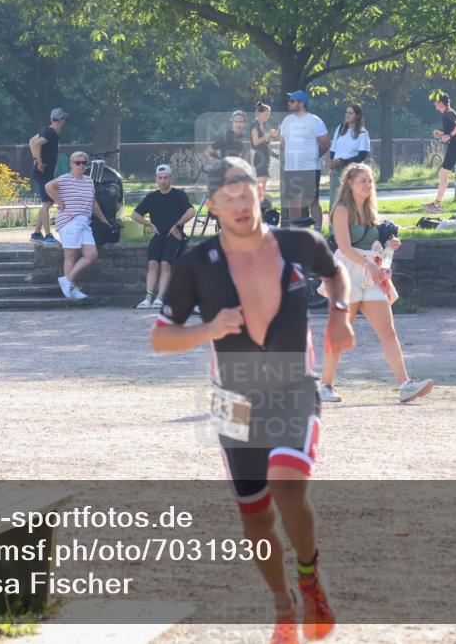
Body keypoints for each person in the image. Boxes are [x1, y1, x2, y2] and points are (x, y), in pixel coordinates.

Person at [151, 156, 353, 644]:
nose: (240, 204)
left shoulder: (300, 243)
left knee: (287, 486)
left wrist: (340, 314)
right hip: (232, 396)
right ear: (213, 207)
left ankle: (309, 578)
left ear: (260, 191)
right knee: (256, 516)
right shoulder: (196, 264)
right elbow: (161, 338)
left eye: (246, 192)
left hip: (292, 385)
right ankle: (283, 606)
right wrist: (208, 329)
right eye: (228, 198)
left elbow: (336, 273)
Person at [319, 163, 434, 405]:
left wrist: (388, 247)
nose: (368, 185)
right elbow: (344, 247)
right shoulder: (340, 209)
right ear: (350, 184)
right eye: (363, 181)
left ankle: (405, 385)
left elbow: (374, 244)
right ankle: (325, 384)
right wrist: (368, 264)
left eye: (370, 181)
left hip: (370, 273)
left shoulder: (371, 211)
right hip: (347, 271)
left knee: (388, 330)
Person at [45, 151, 114, 299]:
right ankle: (72, 289)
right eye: (78, 162)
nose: (81, 165)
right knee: (71, 255)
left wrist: (103, 219)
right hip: (69, 221)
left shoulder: (89, 181)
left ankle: (68, 281)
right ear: (71, 164)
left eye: (84, 162)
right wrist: (59, 202)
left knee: (91, 255)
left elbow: (93, 202)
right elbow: (48, 186)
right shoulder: (64, 179)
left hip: (84, 222)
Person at [131, 164, 195, 309]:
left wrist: (177, 225)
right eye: (160, 178)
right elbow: (134, 215)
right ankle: (148, 298)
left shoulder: (179, 195)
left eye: (166, 178)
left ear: (171, 178)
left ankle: (160, 297)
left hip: (174, 236)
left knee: (165, 264)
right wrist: (149, 225)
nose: (163, 181)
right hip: (157, 236)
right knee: (153, 264)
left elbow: (191, 212)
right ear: (156, 179)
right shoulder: (152, 197)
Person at [280, 90, 330, 229]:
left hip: (310, 168)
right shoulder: (286, 120)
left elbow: (325, 143)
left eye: (292, 101)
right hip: (291, 168)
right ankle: (295, 232)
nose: (289, 103)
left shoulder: (315, 120)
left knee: (313, 201)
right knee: (293, 202)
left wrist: (313, 157)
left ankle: (318, 232)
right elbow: (284, 143)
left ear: (301, 103)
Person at [28, 108, 68, 245]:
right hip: (42, 171)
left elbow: (31, 140)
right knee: (46, 203)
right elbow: (36, 143)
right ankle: (48, 235)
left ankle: (37, 233)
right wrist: (38, 162)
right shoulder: (51, 132)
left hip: (45, 171)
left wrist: (35, 159)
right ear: (61, 120)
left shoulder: (48, 131)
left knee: (49, 202)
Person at [327, 104, 370, 202]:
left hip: (353, 170)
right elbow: (333, 149)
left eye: (350, 113)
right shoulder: (340, 129)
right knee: (335, 200)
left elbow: (362, 156)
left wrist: (342, 161)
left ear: (357, 116)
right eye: (346, 112)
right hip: (337, 169)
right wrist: (332, 165)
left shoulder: (363, 133)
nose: (347, 115)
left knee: (351, 200)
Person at [250, 101, 279, 206]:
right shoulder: (255, 125)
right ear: (259, 114)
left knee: (262, 186)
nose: (268, 116)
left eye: (269, 114)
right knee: (261, 186)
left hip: (264, 158)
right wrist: (268, 134)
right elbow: (256, 142)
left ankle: (260, 208)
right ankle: (257, 208)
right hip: (259, 159)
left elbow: (264, 144)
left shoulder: (261, 126)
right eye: (266, 114)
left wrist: (272, 136)